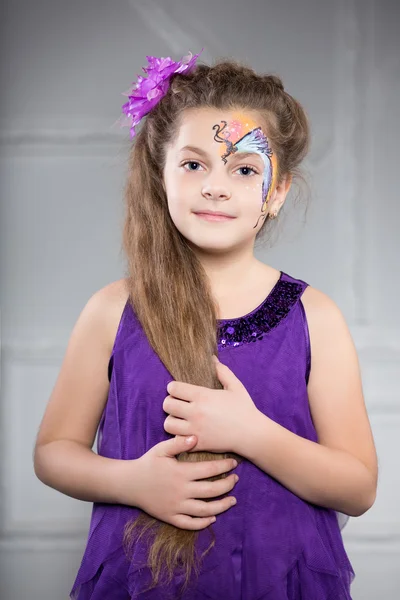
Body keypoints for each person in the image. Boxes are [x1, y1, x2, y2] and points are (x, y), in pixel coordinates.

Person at [33, 49, 378, 600]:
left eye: (245, 170)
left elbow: (358, 488)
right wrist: (131, 482)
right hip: (140, 580)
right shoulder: (112, 310)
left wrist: (252, 434)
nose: (217, 187)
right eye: (194, 165)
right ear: (161, 174)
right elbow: (54, 450)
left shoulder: (316, 317)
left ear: (278, 192)